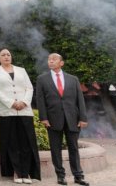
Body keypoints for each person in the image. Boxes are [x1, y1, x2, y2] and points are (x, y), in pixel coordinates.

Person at [36, 53, 89, 186]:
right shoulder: (42, 79)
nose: (51, 61)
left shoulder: (73, 79)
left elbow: (80, 99)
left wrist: (83, 118)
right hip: (53, 119)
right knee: (55, 149)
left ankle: (78, 176)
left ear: (61, 63)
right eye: (49, 59)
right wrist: (43, 118)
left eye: (54, 59)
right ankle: (60, 175)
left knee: (74, 148)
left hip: (73, 118)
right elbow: (40, 100)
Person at [0, 48, 40, 184]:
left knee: (26, 141)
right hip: (7, 111)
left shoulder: (21, 70)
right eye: (3, 55)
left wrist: (24, 102)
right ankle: (16, 172)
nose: (6, 57)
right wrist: (11, 103)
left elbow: (29, 88)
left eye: (8, 54)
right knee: (11, 142)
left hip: (24, 110)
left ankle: (27, 172)